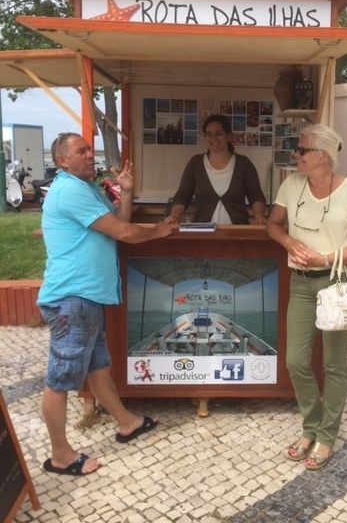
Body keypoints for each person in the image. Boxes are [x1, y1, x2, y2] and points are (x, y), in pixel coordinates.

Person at [37, 132, 177, 477]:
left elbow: (118, 220)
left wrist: (126, 192)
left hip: (87, 298)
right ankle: (60, 455)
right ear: (61, 161)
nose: (89, 155)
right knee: (59, 378)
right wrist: (159, 230)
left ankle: (126, 422)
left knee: (97, 365)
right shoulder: (69, 190)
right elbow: (124, 233)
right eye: (81, 151)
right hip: (72, 299)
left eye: (89, 149)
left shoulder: (86, 188)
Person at [267, 124, 347, 470]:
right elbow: (273, 225)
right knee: (295, 361)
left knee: (333, 364)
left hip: (336, 283)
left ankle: (326, 435)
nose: (295, 155)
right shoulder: (291, 184)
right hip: (300, 282)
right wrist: (289, 243)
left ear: (323, 156)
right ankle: (310, 426)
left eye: (302, 150)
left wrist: (326, 258)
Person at [165, 114, 267, 225]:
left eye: (218, 133)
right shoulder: (195, 163)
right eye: (209, 134)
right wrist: (174, 216)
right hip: (203, 233)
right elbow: (183, 195)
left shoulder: (243, 164)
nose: (214, 138)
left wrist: (259, 216)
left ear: (228, 136)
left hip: (236, 233)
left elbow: (256, 196)